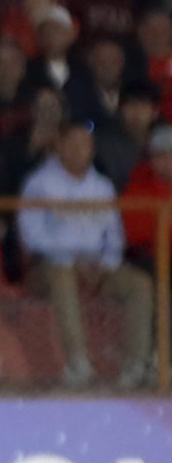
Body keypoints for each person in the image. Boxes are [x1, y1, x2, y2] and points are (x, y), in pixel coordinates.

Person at [20, 120, 151, 388]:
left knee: (140, 285)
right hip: (51, 265)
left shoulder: (102, 186)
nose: (79, 150)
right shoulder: (39, 183)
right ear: (59, 146)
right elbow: (32, 237)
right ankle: (77, 363)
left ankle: (136, 364)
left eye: (85, 144)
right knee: (63, 278)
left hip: (98, 267)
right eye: (72, 143)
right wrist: (72, 260)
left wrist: (104, 264)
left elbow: (114, 235)